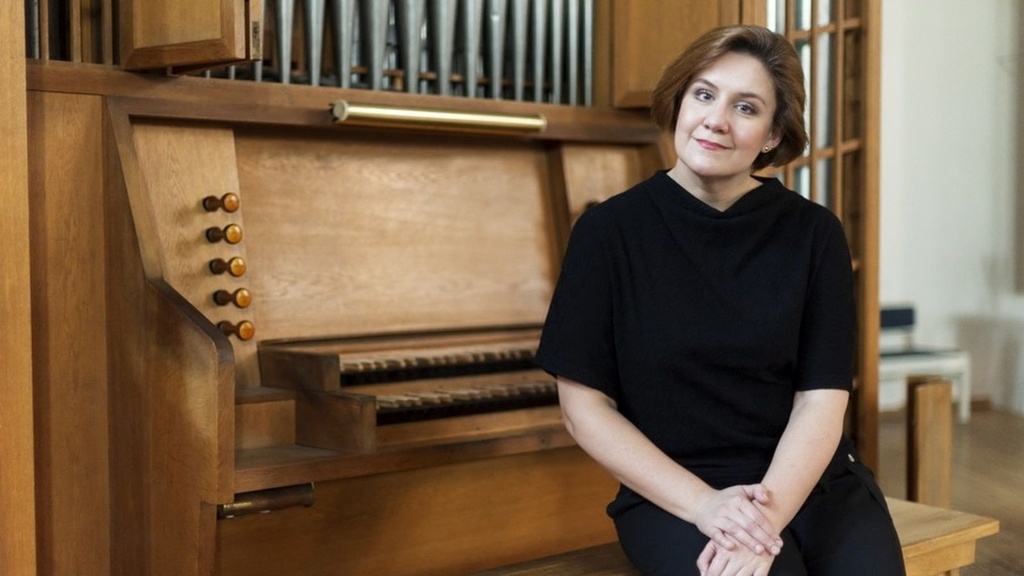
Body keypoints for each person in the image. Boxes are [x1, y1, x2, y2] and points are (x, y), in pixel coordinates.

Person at [534, 25, 906, 576]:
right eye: (704, 95)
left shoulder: (814, 233)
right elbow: (583, 409)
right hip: (677, 492)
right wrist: (708, 507)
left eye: (746, 107)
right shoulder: (607, 232)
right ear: (679, 102)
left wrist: (761, 520)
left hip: (810, 479)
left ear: (773, 134)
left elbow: (820, 400)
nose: (716, 120)